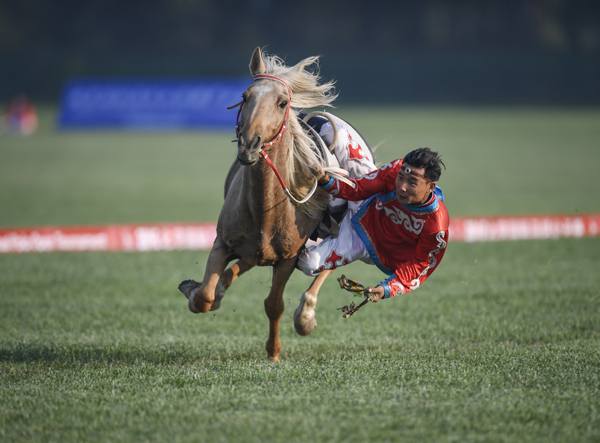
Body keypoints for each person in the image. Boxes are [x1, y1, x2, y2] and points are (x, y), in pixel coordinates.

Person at [293, 147, 449, 335]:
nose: (402, 186)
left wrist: (387, 288)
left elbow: (420, 265)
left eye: (412, 182)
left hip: (366, 245)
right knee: (340, 137)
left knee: (308, 265)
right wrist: (325, 180)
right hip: (365, 207)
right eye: (401, 178)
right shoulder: (393, 171)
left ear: (431, 187)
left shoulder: (436, 226)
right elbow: (357, 189)